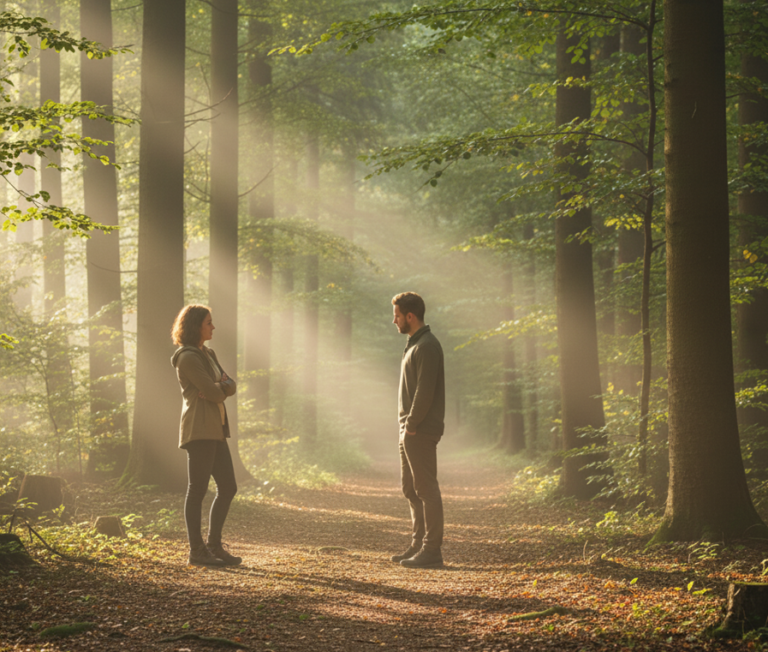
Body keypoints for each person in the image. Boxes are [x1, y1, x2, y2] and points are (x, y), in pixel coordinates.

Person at [171, 304, 241, 567]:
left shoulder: (208, 353)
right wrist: (218, 387)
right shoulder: (187, 357)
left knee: (228, 487)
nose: (213, 327)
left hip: (216, 429)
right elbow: (214, 393)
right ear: (195, 326)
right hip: (199, 429)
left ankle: (213, 546)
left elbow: (230, 385)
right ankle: (196, 551)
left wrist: (218, 386)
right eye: (208, 322)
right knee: (197, 489)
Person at [390, 292, 445, 568]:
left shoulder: (427, 346)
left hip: (419, 430)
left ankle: (431, 551)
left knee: (426, 488)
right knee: (410, 489)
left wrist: (411, 425)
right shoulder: (414, 344)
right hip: (409, 429)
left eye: (397, 316)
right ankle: (417, 545)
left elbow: (425, 390)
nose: (394, 321)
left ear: (410, 316)